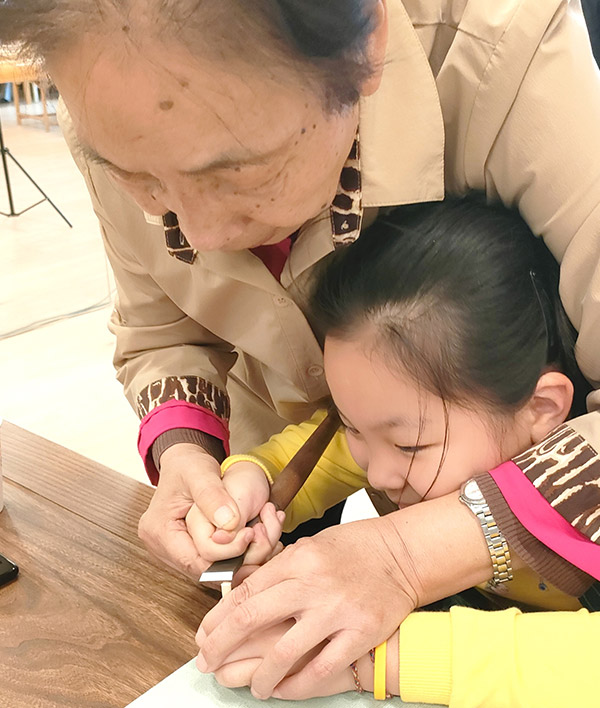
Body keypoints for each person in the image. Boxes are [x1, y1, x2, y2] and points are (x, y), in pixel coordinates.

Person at [2, 0, 600, 695]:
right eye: (141, 180)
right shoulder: (107, 100)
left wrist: (402, 570)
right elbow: (162, 330)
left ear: (367, 47)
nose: (201, 237)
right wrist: (195, 463)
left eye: (237, 171)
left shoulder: (504, 48)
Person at [195, 197, 599, 706]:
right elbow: (306, 457)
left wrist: (372, 659)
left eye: (410, 444)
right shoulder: (393, 440)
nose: (378, 475)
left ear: (541, 408)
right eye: (351, 424)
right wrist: (247, 483)